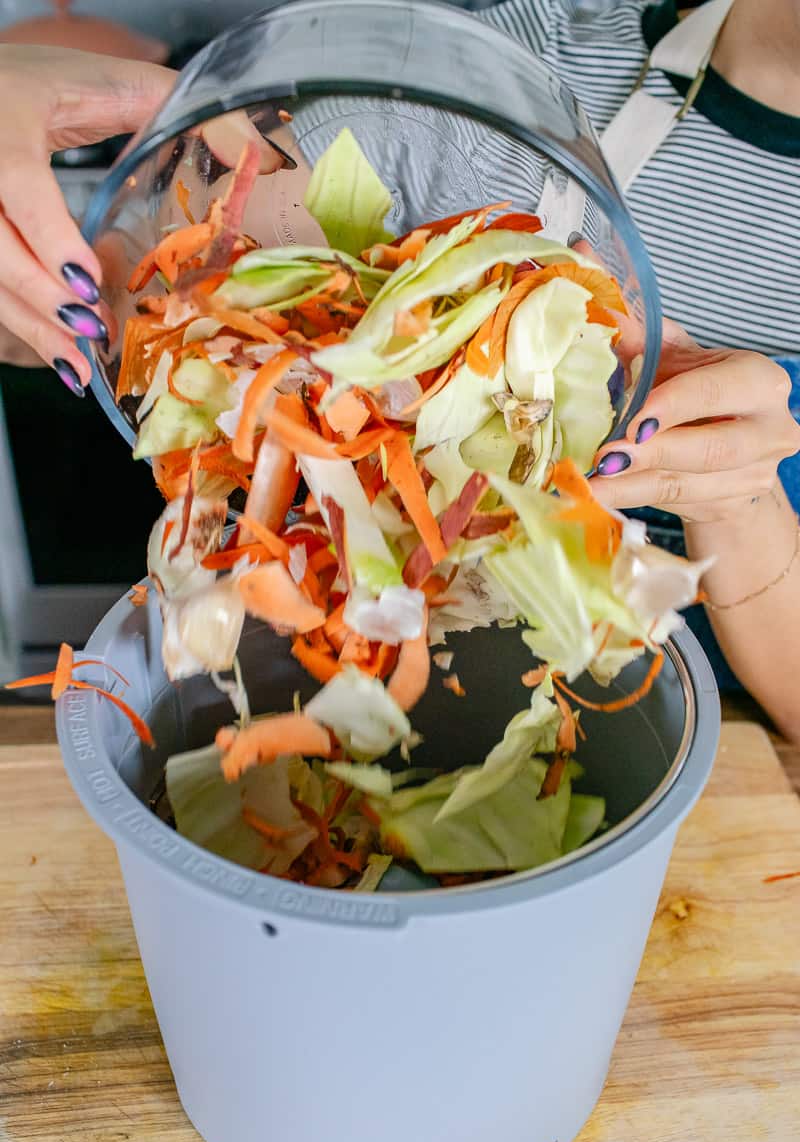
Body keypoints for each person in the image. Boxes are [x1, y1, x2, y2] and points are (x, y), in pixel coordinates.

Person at [0, 2, 797, 737]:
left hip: (726, 740)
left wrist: (737, 502)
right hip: (378, 668)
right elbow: (134, 295)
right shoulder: (504, 84)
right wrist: (36, 276)